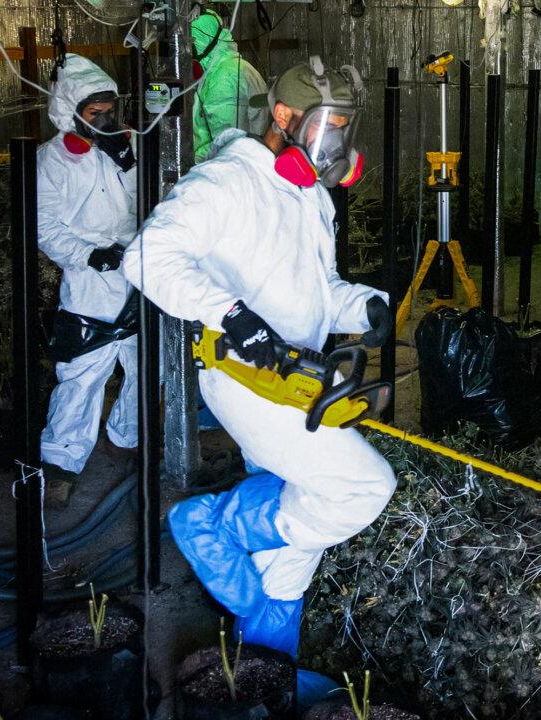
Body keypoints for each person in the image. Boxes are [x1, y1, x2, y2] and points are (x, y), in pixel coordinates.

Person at [123, 56, 388, 662]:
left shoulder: (308, 194)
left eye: (345, 130)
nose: (337, 145)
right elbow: (146, 257)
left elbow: (318, 286)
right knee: (362, 487)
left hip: (298, 375)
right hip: (244, 377)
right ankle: (217, 525)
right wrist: (233, 316)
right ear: (284, 117)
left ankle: (269, 658)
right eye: (329, 128)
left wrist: (365, 307)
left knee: (298, 529)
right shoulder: (225, 183)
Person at [37, 54, 138, 505]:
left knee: (146, 364)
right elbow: (44, 225)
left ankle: (125, 438)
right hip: (89, 281)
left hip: (138, 272)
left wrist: (130, 163)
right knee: (81, 373)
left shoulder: (128, 147)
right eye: (94, 113)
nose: (105, 119)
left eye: (109, 111)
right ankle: (61, 461)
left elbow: (155, 202)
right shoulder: (54, 160)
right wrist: (89, 255)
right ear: (70, 111)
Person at [191, 8, 269, 162]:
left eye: (191, 46)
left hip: (225, 170)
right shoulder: (232, 67)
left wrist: (189, 160)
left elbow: (225, 144)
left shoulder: (223, 79)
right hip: (244, 163)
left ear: (201, 42)